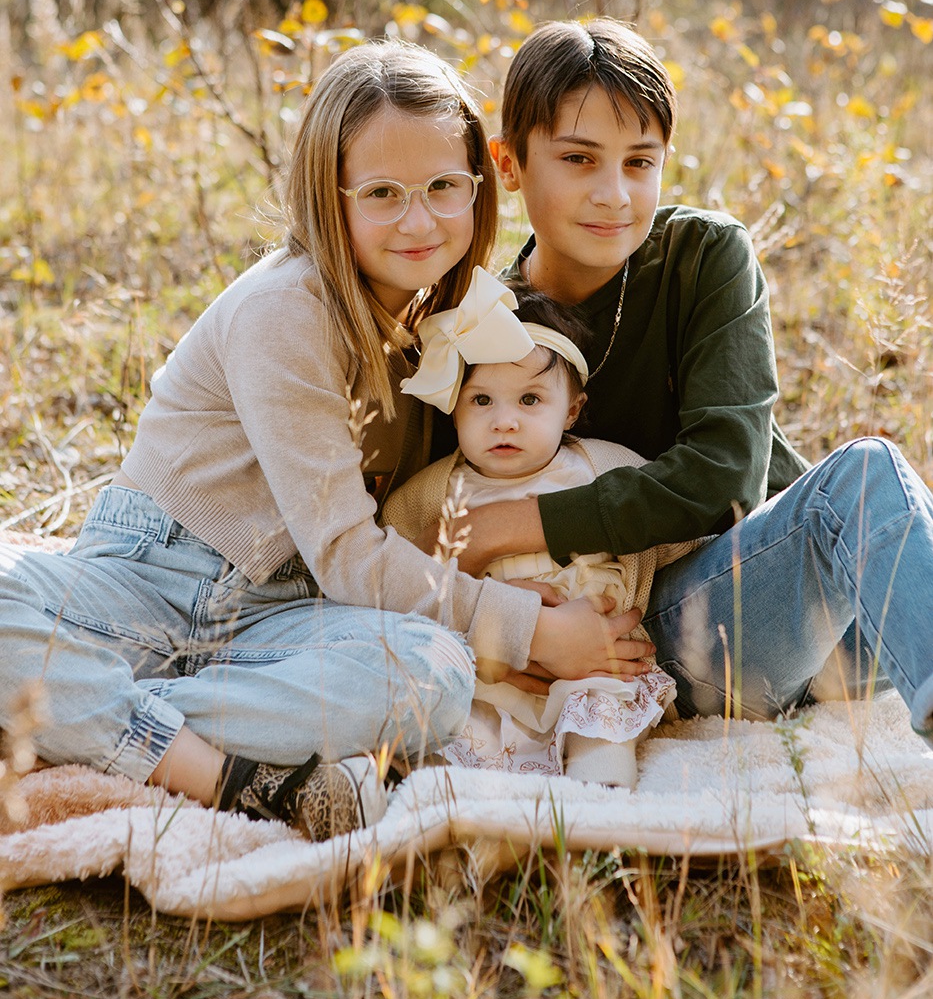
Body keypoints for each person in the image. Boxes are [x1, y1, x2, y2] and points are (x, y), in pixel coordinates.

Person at [0, 41, 644, 842]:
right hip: (152, 583)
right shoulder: (287, 309)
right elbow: (349, 549)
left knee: (432, 675)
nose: (420, 220)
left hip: (291, 620)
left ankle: (66, 719)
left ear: (480, 187)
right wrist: (530, 630)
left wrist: (518, 599)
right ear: (327, 198)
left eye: (445, 186)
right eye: (382, 193)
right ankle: (222, 774)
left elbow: (372, 557)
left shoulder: (443, 317)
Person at [435, 17, 933, 745]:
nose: (614, 194)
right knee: (866, 471)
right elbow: (419, 525)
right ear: (507, 164)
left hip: (812, 606)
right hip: (658, 632)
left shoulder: (701, 255)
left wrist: (501, 529)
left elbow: (726, 476)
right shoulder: (483, 326)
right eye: (578, 159)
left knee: (887, 509)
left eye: (639, 162)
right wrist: (521, 627)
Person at [384, 268, 703, 786]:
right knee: (454, 729)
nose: (504, 420)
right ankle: (465, 809)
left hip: (594, 662)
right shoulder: (435, 492)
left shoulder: (603, 467)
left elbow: (668, 524)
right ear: (455, 411)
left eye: (530, 400)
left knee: (601, 719)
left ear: (572, 410)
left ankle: (598, 804)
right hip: (489, 666)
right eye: (481, 400)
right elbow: (392, 566)